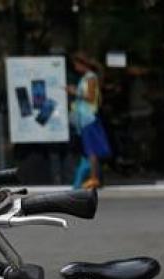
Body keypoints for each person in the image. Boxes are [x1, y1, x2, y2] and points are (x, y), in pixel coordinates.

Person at [69, 53, 111, 189]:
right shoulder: (85, 78)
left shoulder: (91, 77)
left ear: (82, 64)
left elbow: (91, 97)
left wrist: (75, 92)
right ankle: (92, 177)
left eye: (76, 65)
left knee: (91, 149)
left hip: (89, 118)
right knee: (89, 149)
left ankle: (94, 178)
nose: (75, 68)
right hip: (84, 119)